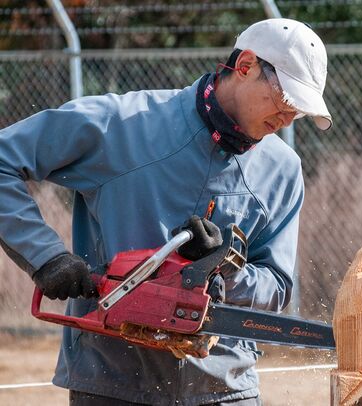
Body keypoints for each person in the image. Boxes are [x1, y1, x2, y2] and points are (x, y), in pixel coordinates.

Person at [0, 18, 332, 405]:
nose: (288, 119)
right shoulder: (122, 124)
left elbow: (276, 286)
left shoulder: (283, 170)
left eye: (300, 111)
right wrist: (47, 257)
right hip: (111, 382)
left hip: (224, 389)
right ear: (246, 66)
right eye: (287, 100)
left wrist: (223, 270)